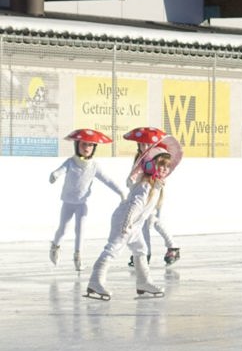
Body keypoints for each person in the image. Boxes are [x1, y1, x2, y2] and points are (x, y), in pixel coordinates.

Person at [85, 136, 182, 300]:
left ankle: (143, 283)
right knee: (113, 249)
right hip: (125, 221)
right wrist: (126, 224)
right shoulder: (145, 185)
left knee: (141, 249)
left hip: (134, 224)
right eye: (161, 165)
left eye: (167, 166)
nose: (165, 169)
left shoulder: (156, 186)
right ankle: (95, 282)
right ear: (151, 166)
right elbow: (135, 205)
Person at [48, 129, 125, 271]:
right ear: (77, 145)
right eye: (84, 144)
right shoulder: (71, 162)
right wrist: (55, 174)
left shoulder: (94, 166)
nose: (86, 148)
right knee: (63, 230)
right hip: (68, 203)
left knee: (80, 230)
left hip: (82, 204)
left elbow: (107, 179)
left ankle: (78, 256)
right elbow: (61, 170)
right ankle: (55, 246)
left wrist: (120, 191)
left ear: (94, 147)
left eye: (90, 145)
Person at [123, 127, 181, 267]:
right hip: (143, 191)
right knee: (148, 222)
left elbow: (165, 168)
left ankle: (150, 252)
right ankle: (153, 251)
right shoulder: (141, 157)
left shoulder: (158, 154)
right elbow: (136, 172)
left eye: (147, 144)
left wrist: (159, 176)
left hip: (154, 191)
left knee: (151, 221)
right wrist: (131, 179)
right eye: (142, 144)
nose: (144, 147)